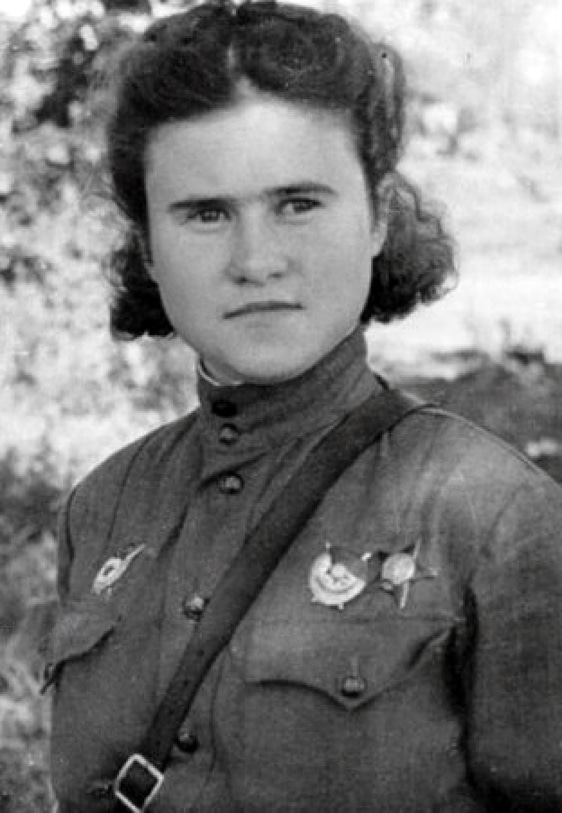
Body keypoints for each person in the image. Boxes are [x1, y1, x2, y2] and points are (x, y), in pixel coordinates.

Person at [45, 1, 562, 811]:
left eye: (298, 203)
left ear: (377, 217)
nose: (256, 260)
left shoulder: (495, 517)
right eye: (206, 213)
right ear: (148, 247)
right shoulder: (103, 508)